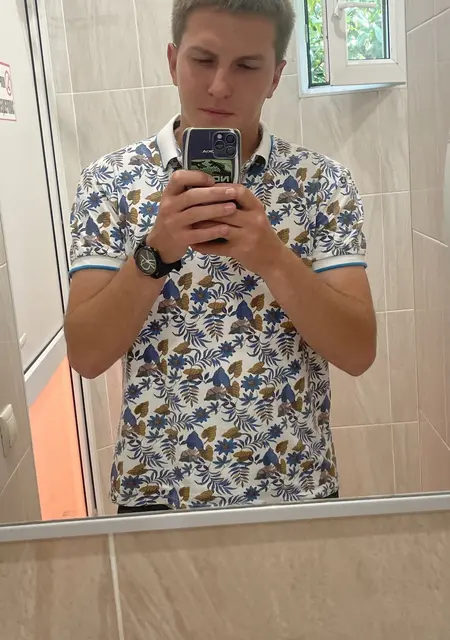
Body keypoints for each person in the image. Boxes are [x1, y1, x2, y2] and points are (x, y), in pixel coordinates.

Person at [65, 0, 377, 514]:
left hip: (295, 490)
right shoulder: (110, 183)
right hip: (157, 492)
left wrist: (272, 257)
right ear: (173, 61)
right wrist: (156, 251)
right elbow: (87, 355)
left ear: (275, 76)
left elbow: (358, 352)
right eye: (203, 60)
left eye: (247, 66)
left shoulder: (322, 184)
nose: (219, 86)